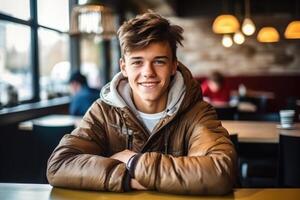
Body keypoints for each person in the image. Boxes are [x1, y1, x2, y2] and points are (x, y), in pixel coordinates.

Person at [47, 12, 236, 195]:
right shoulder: (103, 111)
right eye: (137, 62)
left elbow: (221, 172)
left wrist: (133, 162)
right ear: (124, 67)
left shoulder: (197, 112)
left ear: (173, 66)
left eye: (159, 62)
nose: (148, 72)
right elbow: (59, 165)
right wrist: (127, 179)